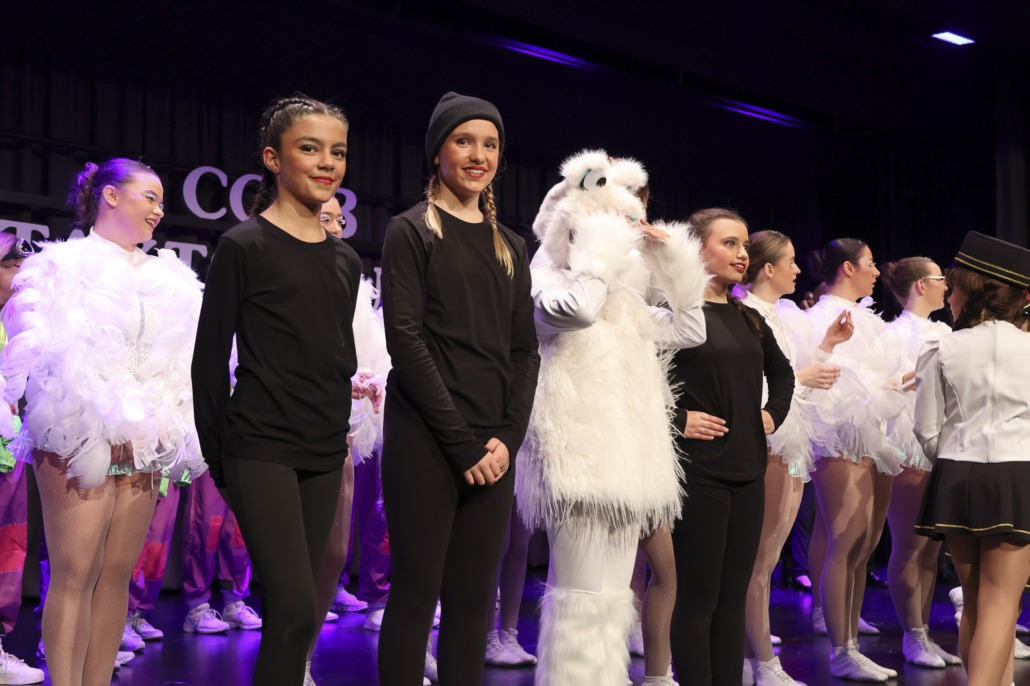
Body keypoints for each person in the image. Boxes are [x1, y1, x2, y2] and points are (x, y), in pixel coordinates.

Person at [1, 158, 205, 686]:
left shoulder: (168, 277)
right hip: (75, 434)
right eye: (149, 197)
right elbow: (42, 358)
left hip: (145, 440)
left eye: (162, 202)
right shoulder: (61, 266)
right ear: (110, 196)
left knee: (116, 575)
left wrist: (153, 423)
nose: (159, 210)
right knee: (75, 572)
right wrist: (104, 420)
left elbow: (179, 363)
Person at [518, 152, 707, 686]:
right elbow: (576, 312)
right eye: (607, 216)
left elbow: (690, 329)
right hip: (576, 454)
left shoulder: (622, 298)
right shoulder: (546, 277)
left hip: (630, 463)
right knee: (580, 596)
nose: (621, 228)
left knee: (612, 597)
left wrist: (670, 261)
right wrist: (600, 249)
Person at [192, 95, 361, 686]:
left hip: (323, 449)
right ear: (272, 158)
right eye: (309, 148)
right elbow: (208, 361)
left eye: (337, 151)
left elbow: (336, 355)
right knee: (292, 608)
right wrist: (221, 460)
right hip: (260, 446)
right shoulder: (245, 246)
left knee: (302, 614)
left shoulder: (345, 259)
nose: (327, 162)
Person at [377, 92, 540, 686]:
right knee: (418, 592)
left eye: (489, 144)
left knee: (474, 602)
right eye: (464, 141)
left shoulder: (511, 246)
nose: (478, 155)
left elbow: (524, 350)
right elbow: (406, 341)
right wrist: (462, 443)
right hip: (427, 437)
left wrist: (507, 439)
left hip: (492, 447)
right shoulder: (411, 231)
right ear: (437, 151)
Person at [668, 209, 794, 686]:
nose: (742, 254)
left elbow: (782, 373)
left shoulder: (748, 317)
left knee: (731, 598)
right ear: (696, 248)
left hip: (748, 471)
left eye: (744, 245)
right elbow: (632, 382)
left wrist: (772, 413)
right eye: (729, 243)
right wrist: (677, 420)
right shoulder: (674, 316)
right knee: (698, 597)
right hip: (700, 473)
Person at [914, 231, 1030, 686]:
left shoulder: (942, 347)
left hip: (956, 473)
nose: (949, 295)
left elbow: (926, 431)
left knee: (979, 603)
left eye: (954, 286)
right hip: (1016, 473)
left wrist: (952, 458)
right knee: (1001, 605)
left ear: (971, 290)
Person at [736, 230, 852, 685]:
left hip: (789, 440)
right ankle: (762, 663)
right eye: (790, 261)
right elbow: (753, 386)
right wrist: (802, 377)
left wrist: (827, 347)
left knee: (766, 559)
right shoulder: (746, 315)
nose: (799, 269)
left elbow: (797, 377)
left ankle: (753, 655)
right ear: (768, 269)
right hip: (765, 442)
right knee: (757, 560)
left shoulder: (781, 315)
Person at [801, 238, 904, 682]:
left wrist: (896, 386)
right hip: (841, 436)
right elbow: (824, 378)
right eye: (870, 263)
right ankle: (841, 648)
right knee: (844, 540)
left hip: (873, 434)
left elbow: (877, 379)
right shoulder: (821, 317)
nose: (877, 271)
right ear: (848, 268)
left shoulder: (870, 320)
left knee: (865, 543)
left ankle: (851, 641)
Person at [879, 256, 960, 669]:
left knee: (932, 548)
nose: (947, 285)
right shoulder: (891, 335)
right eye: (940, 278)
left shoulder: (944, 331)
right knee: (910, 544)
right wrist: (898, 384)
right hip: (908, 445)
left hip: (941, 444)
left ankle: (924, 631)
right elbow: (879, 389)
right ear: (920, 286)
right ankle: (912, 634)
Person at [0, 234, 44, 685]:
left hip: (8, 449)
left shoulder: (19, 321)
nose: (20, 276)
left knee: (10, 546)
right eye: (10, 266)